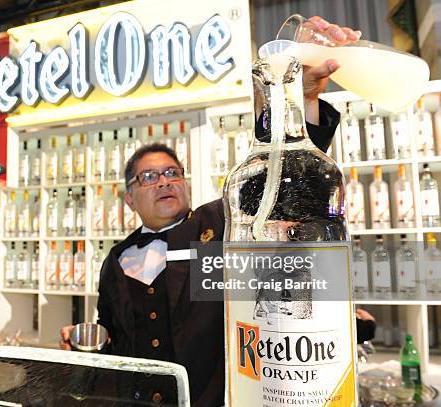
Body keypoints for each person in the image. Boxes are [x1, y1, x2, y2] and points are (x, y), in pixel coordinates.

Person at [61, 16, 362, 406]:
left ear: (185, 183)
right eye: (148, 177)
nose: (164, 182)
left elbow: (277, 183)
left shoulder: (218, 225)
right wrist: (86, 342)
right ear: (129, 199)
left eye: (172, 173)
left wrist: (294, 95)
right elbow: (114, 332)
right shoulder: (115, 260)